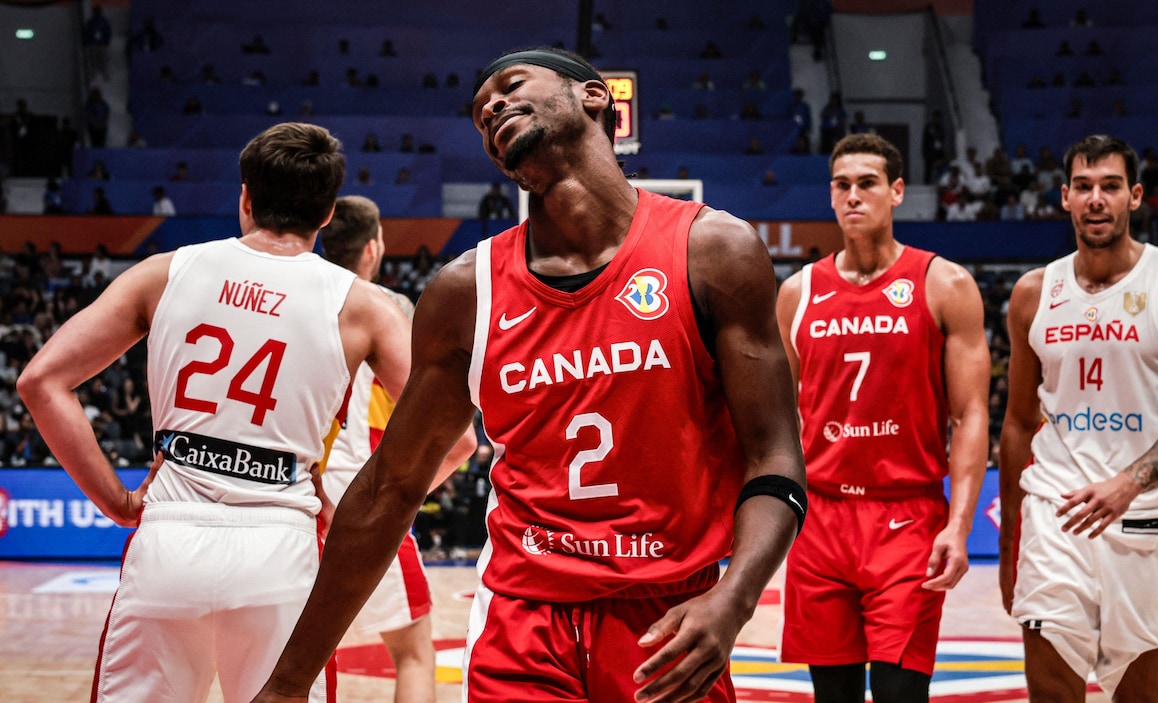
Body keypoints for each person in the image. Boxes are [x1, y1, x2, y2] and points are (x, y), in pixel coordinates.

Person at [250, 46, 806, 703]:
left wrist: (734, 600)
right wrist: (287, 684)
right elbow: (390, 486)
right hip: (524, 618)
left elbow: (773, 456)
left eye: (511, 86)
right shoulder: (465, 290)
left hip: (669, 617)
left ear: (595, 97)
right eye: (481, 112)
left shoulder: (714, 250)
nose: (492, 108)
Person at [16, 122, 415, 703]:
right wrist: (360, 505)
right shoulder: (366, 306)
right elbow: (451, 431)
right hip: (283, 543)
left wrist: (115, 500)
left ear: (246, 198)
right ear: (328, 213)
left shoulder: (166, 272)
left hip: (170, 533)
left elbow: (41, 380)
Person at [998, 134, 1158, 702]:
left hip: (1145, 514)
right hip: (1056, 512)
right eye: (1083, 186)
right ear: (1065, 198)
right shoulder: (1032, 294)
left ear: (1136, 196)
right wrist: (1008, 547)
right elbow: (1019, 424)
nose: (1096, 198)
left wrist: (1129, 483)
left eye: (1110, 186)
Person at [776, 132, 990, 702]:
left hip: (907, 516)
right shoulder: (797, 293)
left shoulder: (944, 283)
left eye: (867, 183)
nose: (853, 196)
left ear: (896, 191)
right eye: (842, 185)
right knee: (833, 697)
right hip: (820, 518)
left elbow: (971, 414)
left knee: (900, 695)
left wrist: (960, 526)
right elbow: (777, 418)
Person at [318, 195, 477, 703]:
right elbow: (461, 442)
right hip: (362, 488)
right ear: (372, 248)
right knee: (412, 652)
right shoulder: (389, 310)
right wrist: (400, 497)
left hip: (287, 490)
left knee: (296, 657)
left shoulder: (292, 299)